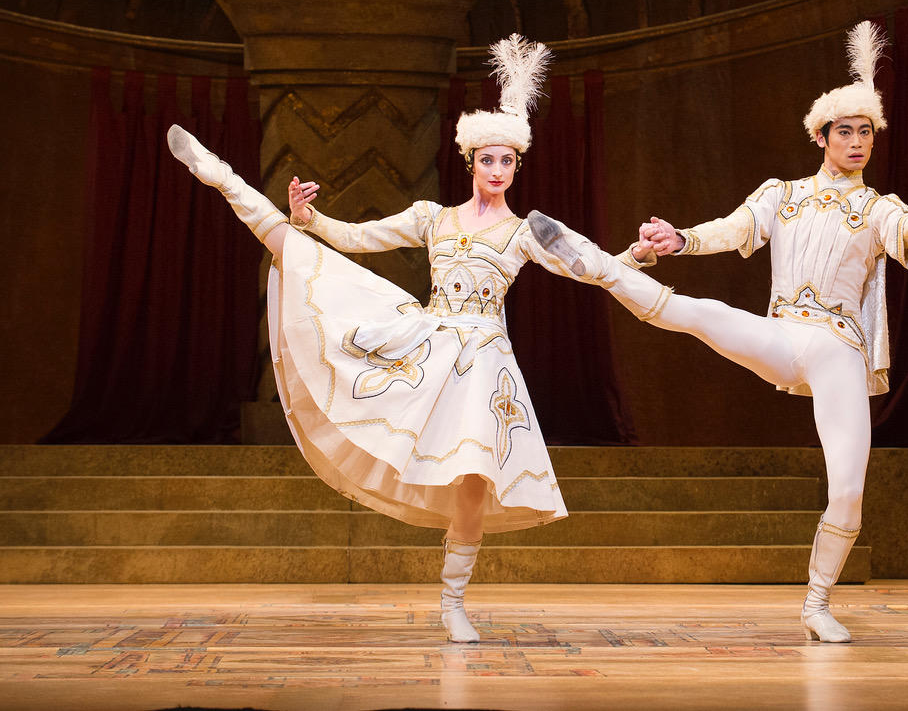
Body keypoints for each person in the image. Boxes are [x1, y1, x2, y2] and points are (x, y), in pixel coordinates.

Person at [524, 20, 908, 643]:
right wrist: (678, 241)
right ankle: (594, 261)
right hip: (783, 336)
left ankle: (817, 603)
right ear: (821, 137)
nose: (858, 142)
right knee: (699, 313)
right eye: (846, 132)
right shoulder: (781, 195)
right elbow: (730, 232)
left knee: (849, 488)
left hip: (839, 351)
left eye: (866, 132)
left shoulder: (880, 208)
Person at [167, 35, 635, 643]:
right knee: (306, 256)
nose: (497, 170)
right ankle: (225, 179)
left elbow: (595, 264)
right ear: (471, 163)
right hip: (430, 340)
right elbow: (357, 238)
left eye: (507, 162)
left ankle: (453, 601)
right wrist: (310, 218)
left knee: (473, 480)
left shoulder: (526, 232)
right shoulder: (431, 218)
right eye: (487, 160)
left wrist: (637, 257)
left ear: (517, 166)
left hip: (485, 365)